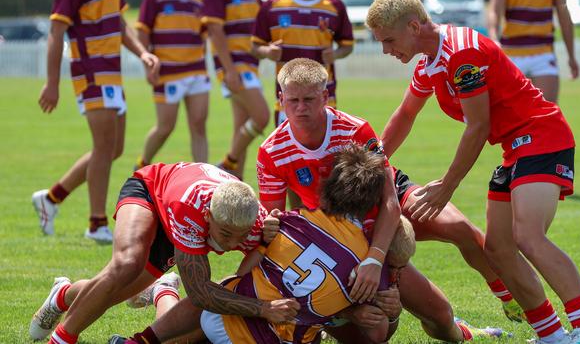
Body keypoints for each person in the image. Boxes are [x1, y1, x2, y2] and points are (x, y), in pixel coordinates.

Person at [367, 0, 580, 344]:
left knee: (527, 236)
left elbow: (478, 125)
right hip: (513, 149)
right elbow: (405, 114)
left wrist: (447, 185)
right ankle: (552, 335)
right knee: (497, 250)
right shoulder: (429, 62)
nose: (386, 50)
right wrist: (374, 161)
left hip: (541, 136)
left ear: (414, 25)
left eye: (389, 40)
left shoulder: (461, 52)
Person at [257, 58, 509, 341]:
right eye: (293, 100)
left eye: (309, 99)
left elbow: (389, 200)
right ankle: (332, 317)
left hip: (373, 223)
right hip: (331, 243)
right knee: (376, 330)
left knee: (440, 315)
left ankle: (469, 329)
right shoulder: (271, 151)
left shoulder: (354, 130)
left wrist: (375, 260)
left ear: (325, 96)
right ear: (280, 99)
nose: (301, 108)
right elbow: (278, 231)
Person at [109, 144, 411, 344]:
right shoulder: (369, 266)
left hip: (222, 319)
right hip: (264, 330)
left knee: (224, 292)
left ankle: (154, 312)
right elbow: (379, 333)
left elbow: (246, 271)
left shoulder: (290, 222)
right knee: (216, 298)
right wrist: (371, 311)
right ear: (370, 205)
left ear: (327, 192)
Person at [28, 162, 299, 344]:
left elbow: (238, 281)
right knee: (127, 265)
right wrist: (263, 309)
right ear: (209, 216)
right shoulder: (191, 210)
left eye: (241, 236)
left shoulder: (255, 225)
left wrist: (263, 243)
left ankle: (65, 294)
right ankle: (61, 338)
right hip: (152, 190)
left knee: (117, 294)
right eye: (226, 234)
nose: (231, 244)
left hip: (183, 216)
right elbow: (201, 293)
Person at [31, 0, 160, 243]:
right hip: (91, 73)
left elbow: (120, 25)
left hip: (112, 74)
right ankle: (96, 222)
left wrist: (142, 53)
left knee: (113, 148)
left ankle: (51, 198)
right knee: (103, 146)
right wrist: (52, 83)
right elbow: (56, 31)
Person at [252, 0, 354, 127]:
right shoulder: (272, 6)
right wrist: (267, 51)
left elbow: (347, 45)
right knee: (289, 151)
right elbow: (254, 46)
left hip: (323, 99)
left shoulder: (334, 6)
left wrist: (336, 54)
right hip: (288, 100)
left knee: (325, 150)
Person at [134, 0, 211, 169]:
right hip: (166, 73)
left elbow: (204, 35)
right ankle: (141, 165)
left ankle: (203, 178)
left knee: (199, 126)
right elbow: (142, 31)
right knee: (165, 127)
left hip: (196, 71)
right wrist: (147, 66)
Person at [202, 0, 270, 180]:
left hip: (250, 63)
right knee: (261, 116)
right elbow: (215, 31)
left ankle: (235, 187)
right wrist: (229, 70)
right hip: (234, 65)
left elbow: (262, 18)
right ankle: (227, 162)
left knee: (241, 128)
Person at [488, 0, 578, 103]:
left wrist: (572, 57)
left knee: (548, 113)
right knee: (512, 114)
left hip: (543, 54)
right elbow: (495, 10)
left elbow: (564, 17)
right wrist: (494, 39)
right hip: (511, 55)